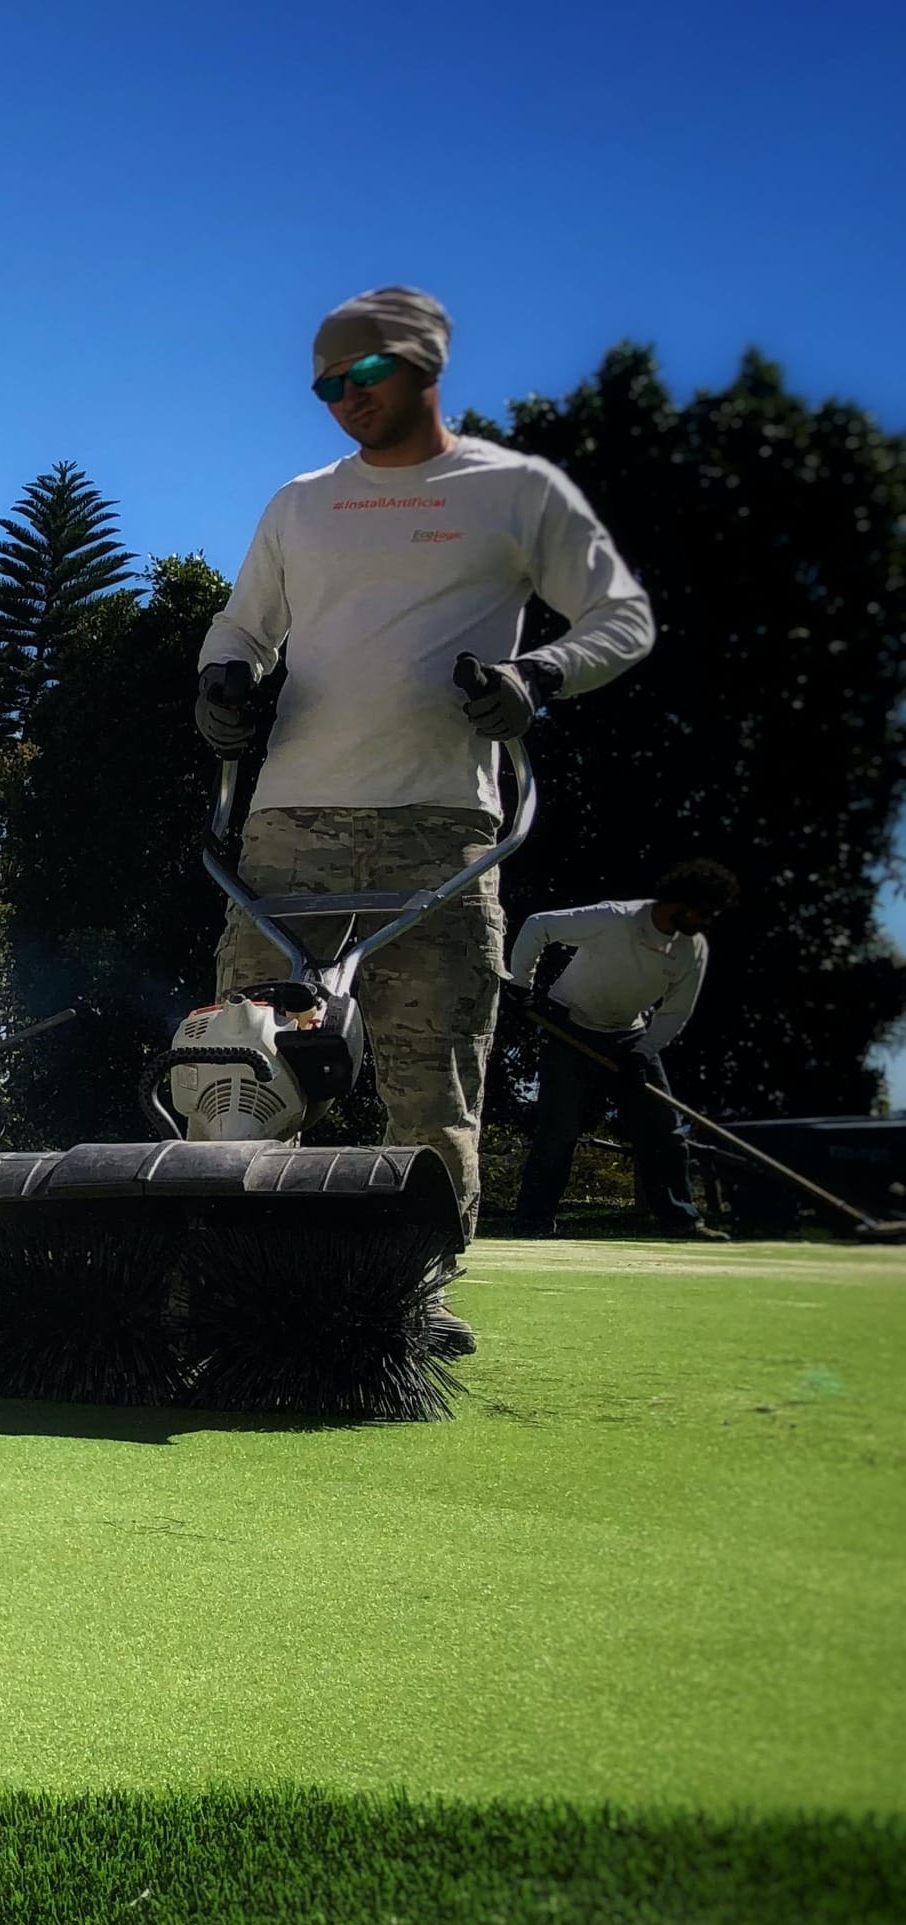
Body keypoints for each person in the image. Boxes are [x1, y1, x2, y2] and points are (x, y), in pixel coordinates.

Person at [195, 284, 658, 1261]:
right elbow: (242, 623)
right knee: (238, 1063)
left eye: (362, 374)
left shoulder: (513, 493)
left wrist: (537, 676)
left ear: (422, 370)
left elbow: (621, 618)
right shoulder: (299, 504)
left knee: (429, 1080)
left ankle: (415, 1292)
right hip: (284, 830)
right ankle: (236, 1274)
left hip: (439, 831)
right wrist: (221, 678)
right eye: (324, 384)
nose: (343, 397)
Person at [504, 859, 738, 1239]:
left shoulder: (692, 949)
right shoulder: (615, 918)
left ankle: (680, 1221)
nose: (707, 922)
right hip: (570, 1026)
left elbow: (676, 1011)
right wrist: (520, 985)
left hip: (630, 1036)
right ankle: (532, 1223)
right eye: (704, 912)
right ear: (679, 901)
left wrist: (642, 1053)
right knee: (559, 1130)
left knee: (665, 1131)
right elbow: (539, 925)